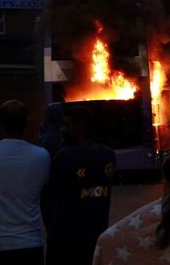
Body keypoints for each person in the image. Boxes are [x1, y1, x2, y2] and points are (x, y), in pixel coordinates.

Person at [0, 100, 51, 265]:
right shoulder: (41, 156)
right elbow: (44, 192)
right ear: (26, 123)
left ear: (0, 123)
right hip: (29, 245)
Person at [44, 106, 116, 265]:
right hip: (96, 235)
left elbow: (52, 193)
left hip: (65, 238)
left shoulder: (64, 156)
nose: (63, 129)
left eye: (67, 125)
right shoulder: (108, 155)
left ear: (80, 127)